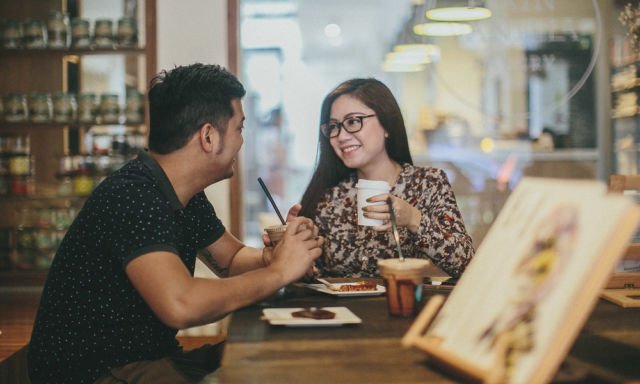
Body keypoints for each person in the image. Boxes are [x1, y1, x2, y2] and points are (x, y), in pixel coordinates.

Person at [27, 63, 323, 384]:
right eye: (239, 128)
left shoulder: (182, 193)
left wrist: (277, 256)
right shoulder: (134, 195)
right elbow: (181, 304)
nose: (241, 142)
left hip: (145, 359)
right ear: (208, 136)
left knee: (275, 354)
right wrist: (279, 272)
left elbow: (231, 260)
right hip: (96, 372)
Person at [299, 78, 473, 278]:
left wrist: (412, 218)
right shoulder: (329, 196)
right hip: (340, 310)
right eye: (333, 127)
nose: (341, 136)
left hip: (405, 306)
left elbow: (465, 264)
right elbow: (313, 276)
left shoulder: (428, 184)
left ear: (386, 125)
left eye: (353, 121)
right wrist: (290, 252)